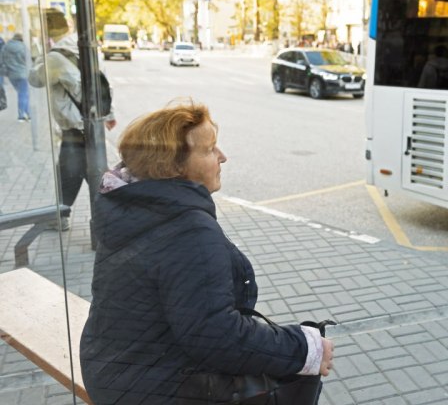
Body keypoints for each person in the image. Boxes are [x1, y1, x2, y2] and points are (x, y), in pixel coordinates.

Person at [79, 101, 334, 403]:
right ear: (173, 166)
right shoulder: (188, 231)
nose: (223, 157)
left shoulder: (132, 206)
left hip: (112, 370)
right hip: (150, 388)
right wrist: (305, 348)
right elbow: (216, 336)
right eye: (210, 149)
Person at [28, 9, 116, 230]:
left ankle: (68, 217)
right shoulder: (83, 49)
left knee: (78, 173)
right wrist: (109, 112)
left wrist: (39, 52)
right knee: (82, 173)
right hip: (90, 125)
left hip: (75, 128)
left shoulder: (54, 57)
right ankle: (66, 215)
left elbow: (35, 79)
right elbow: (102, 83)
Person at [2, 33, 30, 121]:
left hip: (11, 75)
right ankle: (21, 115)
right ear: (21, 39)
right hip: (23, 74)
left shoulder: (5, 47)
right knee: (23, 94)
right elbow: (28, 60)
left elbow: (2, 60)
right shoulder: (23, 47)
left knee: (22, 93)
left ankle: (28, 113)